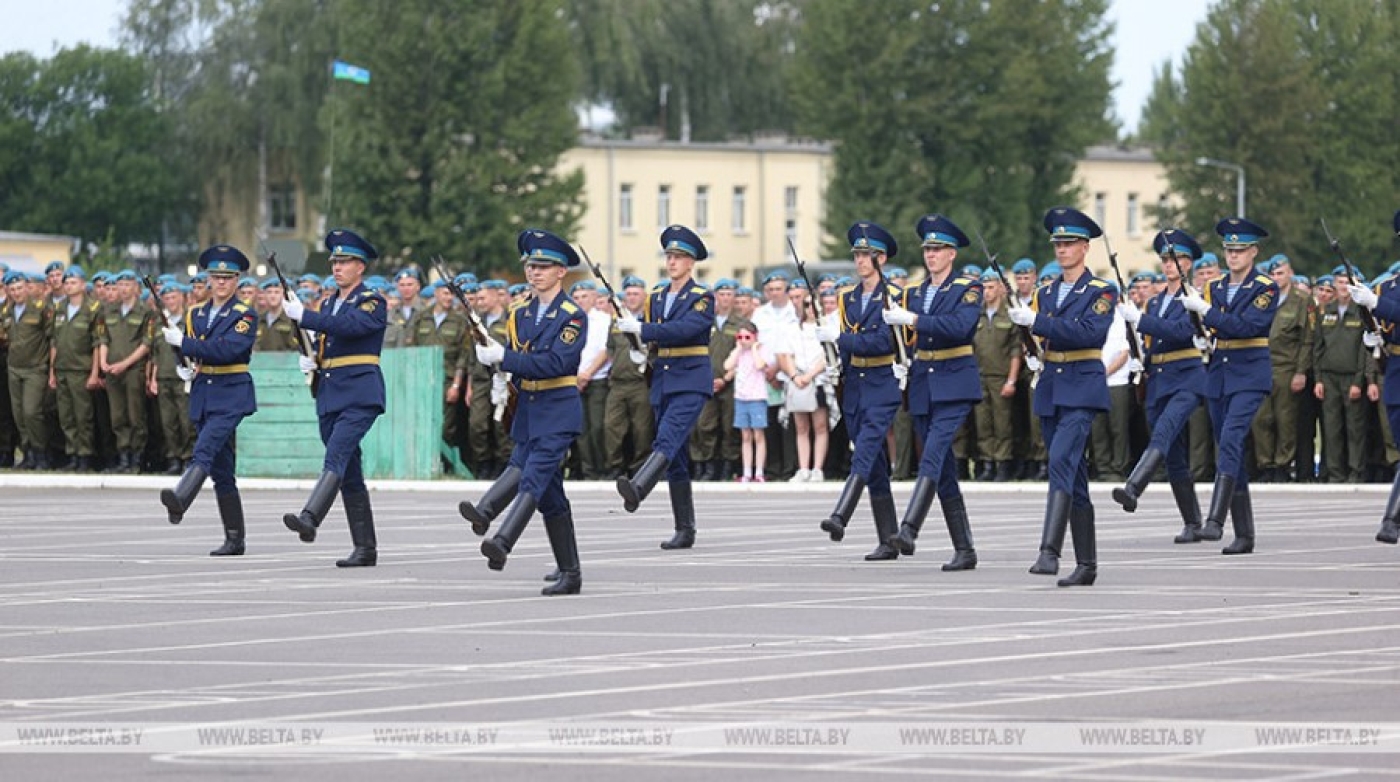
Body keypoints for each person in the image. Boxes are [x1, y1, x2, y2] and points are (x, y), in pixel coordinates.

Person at [455, 229, 589, 595]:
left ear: (561, 271)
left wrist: (506, 357)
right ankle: (570, 573)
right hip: (529, 409)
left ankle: (502, 540)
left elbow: (556, 363)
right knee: (550, 496)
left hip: (558, 410)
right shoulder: (519, 313)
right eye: (531, 266)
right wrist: (497, 365)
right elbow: (518, 360)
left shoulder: (573, 316)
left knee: (532, 477)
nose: (535, 272)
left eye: (543, 266)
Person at [1007, 207, 1117, 587]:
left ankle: (1049, 551)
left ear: (1085, 247)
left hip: (1082, 387)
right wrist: (1030, 341)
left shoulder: (1102, 290)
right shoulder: (1046, 292)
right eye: (1058, 243)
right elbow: (1042, 338)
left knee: (1059, 460)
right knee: (1074, 476)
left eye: (1069, 243)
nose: (1062, 249)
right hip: (1052, 386)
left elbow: (1089, 333)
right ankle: (1087, 564)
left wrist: (1037, 321)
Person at [280, 229, 388, 568]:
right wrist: (311, 356)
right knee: (349, 472)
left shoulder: (372, 301)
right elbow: (325, 340)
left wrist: (305, 316)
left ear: (361, 267)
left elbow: (351, 327)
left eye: (345, 262)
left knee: (336, 455)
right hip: (329, 395)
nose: (337, 267)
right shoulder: (328, 303)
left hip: (360, 394)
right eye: (335, 262)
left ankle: (310, 516)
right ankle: (365, 548)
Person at [883, 214, 983, 570]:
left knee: (934, 453)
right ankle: (965, 549)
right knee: (943, 469)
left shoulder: (969, 288)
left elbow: (960, 327)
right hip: (923, 383)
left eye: (938, 249)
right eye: (927, 249)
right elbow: (907, 338)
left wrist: (912, 320)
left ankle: (909, 528)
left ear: (952, 254)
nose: (931, 255)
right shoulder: (915, 292)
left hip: (955, 382)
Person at [1179, 218, 1279, 555]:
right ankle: (1245, 534)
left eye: (1240, 250)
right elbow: (1212, 329)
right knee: (1229, 448)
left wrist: (1206, 312)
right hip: (1220, 375)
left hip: (1250, 375)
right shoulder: (1215, 287)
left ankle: (1216, 519)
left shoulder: (1265, 287)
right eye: (1229, 249)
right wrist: (1200, 330)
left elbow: (1246, 327)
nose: (1233, 255)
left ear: (1254, 252)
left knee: (1232, 439)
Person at [614, 225, 715, 550]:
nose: (672, 261)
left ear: (691, 262)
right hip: (663, 380)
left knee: (667, 439)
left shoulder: (701, 297)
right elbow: (655, 339)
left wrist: (643, 329)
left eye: (679, 257)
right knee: (677, 457)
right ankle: (685, 529)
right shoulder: (656, 297)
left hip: (691, 379)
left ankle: (639, 487)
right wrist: (638, 345)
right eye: (669, 256)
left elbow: (686, 329)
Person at [157, 245, 259, 556]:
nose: (221, 282)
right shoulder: (195, 313)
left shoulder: (245, 315)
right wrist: (185, 364)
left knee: (204, 448)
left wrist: (185, 342)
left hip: (231, 393)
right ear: (209, 279)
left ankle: (182, 498)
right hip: (204, 393)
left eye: (227, 277)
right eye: (216, 277)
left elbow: (227, 350)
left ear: (237, 280)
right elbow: (194, 355)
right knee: (222, 471)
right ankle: (234, 538)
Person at [815, 221, 906, 561]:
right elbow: (848, 341)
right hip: (854, 385)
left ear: (881, 258)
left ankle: (841, 515)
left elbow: (883, 341)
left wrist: (840, 339)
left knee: (865, 451)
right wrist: (833, 356)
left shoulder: (894, 296)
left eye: (866, 255)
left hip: (882, 382)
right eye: (856, 255)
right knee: (876, 464)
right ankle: (888, 539)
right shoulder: (847, 297)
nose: (860, 261)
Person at [1112, 229, 1209, 543]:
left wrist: (1140, 321)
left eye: (1176, 259)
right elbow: (1152, 340)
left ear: (1188, 263)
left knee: (1164, 431)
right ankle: (1192, 522)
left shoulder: (1195, 298)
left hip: (1188, 377)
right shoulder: (1154, 302)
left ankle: (1134, 487)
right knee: (1173, 453)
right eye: (1165, 259)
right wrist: (1141, 358)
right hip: (1159, 380)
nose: (1169, 264)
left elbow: (1181, 331)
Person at [1347, 212, 1400, 541]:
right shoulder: (1386, 286)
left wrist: (1377, 303)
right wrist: (1373, 338)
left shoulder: (1381, 294)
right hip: (1396, 376)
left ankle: (1391, 521)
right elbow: (1383, 332)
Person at [1252, 255, 1313, 482]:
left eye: (1281, 273)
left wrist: (1301, 371)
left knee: (1285, 419)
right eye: (1273, 274)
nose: (1276, 278)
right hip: (1261, 365)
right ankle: (1265, 464)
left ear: (1290, 274)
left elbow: (1307, 339)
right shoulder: (1262, 298)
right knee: (1261, 419)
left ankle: (1282, 465)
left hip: (1287, 367)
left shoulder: (1302, 300)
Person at [1312, 264, 1370, 483]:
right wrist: (1318, 379)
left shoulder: (1361, 311)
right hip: (1329, 377)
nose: (1343, 286)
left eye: (1347, 282)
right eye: (1340, 282)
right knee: (1331, 428)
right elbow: (1318, 348)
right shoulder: (1326, 311)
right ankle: (1336, 473)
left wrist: (1358, 381)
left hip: (1351, 376)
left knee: (1355, 428)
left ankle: (1356, 472)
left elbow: (1364, 350)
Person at [98, 270, 156, 473]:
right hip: (112, 370)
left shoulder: (145, 311)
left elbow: (147, 343)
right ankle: (123, 456)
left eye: (127, 285)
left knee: (135, 415)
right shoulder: (108, 311)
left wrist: (125, 364)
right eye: (120, 285)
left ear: (135, 287)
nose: (123, 289)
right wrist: (103, 362)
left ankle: (137, 458)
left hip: (133, 369)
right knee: (117, 416)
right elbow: (103, 338)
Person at [49, 266, 103, 472]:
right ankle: (72, 453)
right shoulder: (60, 308)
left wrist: (94, 373)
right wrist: (52, 371)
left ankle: (85, 455)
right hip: (62, 368)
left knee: (83, 416)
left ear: (82, 284)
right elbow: (54, 342)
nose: (69, 286)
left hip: (81, 369)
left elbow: (97, 344)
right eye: (67, 283)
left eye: (73, 282)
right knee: (66, 416)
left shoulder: (92, 308)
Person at [971, 268, 1021, 483]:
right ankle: (987, 463)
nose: (987, 292)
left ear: (1001, 288)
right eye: (984, 287)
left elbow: (1016, 351)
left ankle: (1003, 463)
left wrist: (1011, 380)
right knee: (983, 423)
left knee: (1002, 423)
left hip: (1001, 376)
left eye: (991, 287)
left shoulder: (1010, 314)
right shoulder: (977, 314)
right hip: (979, 375)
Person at [778, 284, 831, 482]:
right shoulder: (792, 328)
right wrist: (795, 376)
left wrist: (810, 375)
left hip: (818, 380)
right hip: (797, 379)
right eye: (807, 304)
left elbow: (828, 355)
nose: (811, 309)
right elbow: (786, 354)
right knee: (801, 427)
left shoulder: (827, 328)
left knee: (820, 426)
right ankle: (803, 468)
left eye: (814, 305)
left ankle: (818, 468)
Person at [4, 270, 55, 469]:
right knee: (19, 415)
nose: (16, 293)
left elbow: (52, 339)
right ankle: (28, 454)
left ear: (27, 288)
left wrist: (51, 368)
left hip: (35, 368)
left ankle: (41, 453)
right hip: (14, 368)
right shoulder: (7, 311)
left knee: (32, 412)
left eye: (19, 288)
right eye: (12, 289)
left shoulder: (40, 309)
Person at [149, 282, 194, 475]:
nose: (171, 301)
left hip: (184, 377)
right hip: (164, 377)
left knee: (186, 421)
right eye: (166, 298)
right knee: (168, 422)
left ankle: (188, 457)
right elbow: (155, 353)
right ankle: (173, 458)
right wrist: (153, 378)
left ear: (182, 297)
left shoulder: (190, 321)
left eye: (174, 297)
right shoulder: (159, 323)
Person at [724, 322, 769, 482]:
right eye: (740, 337)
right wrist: (738, 349)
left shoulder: (761, 350)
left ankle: (759, 472)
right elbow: (727, 365)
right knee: (745, 436)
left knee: (758, 435)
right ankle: (747, 472)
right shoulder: (739, 352)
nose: (743, 340)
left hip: (757, 397)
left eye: (747, 337)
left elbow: (760, 365)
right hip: (741, 398)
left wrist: (754, 348)